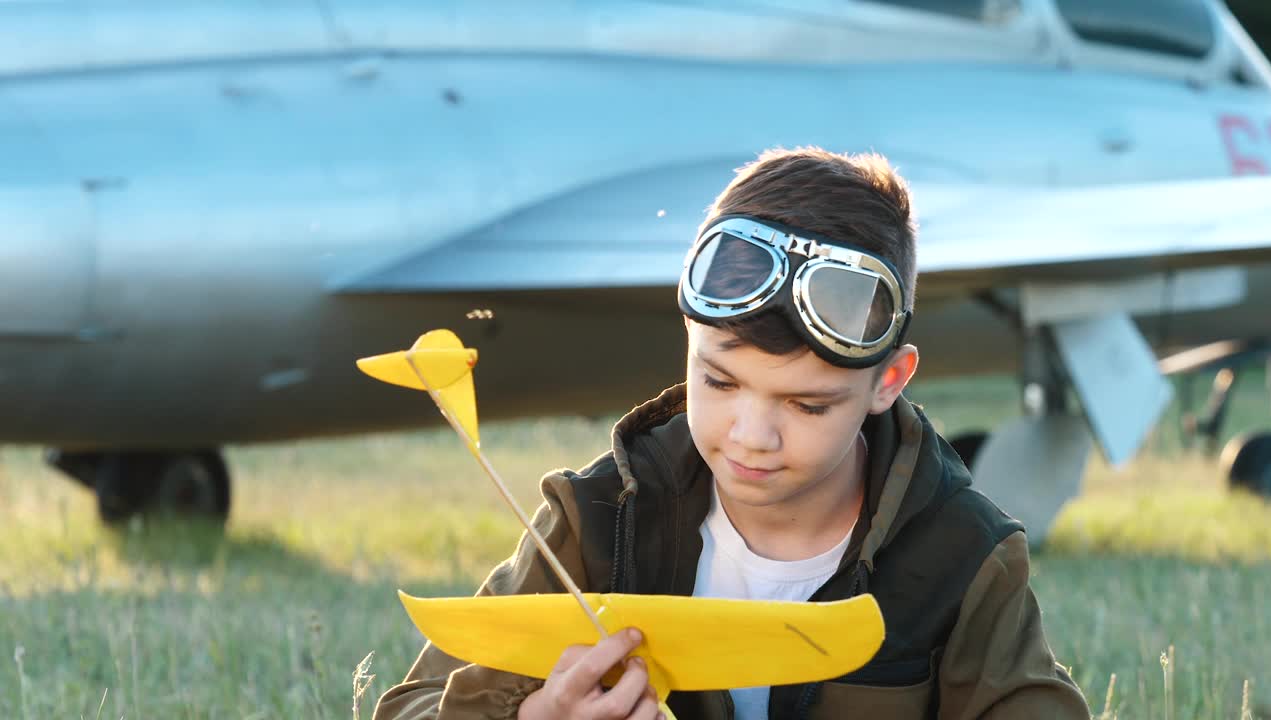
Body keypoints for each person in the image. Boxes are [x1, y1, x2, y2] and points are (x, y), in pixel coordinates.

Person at [372, 147, 1091, 720]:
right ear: (688, 335)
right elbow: (411, 707)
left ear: (888, 381)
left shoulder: (961, 554)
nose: (751, 436)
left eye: (807, 406)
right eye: (718, 383)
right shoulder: (599, 522)